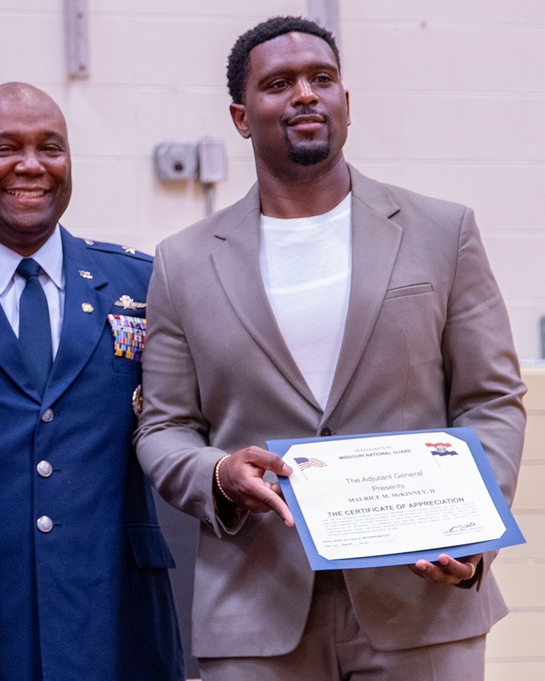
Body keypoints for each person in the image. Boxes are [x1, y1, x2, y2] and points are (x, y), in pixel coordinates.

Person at [134, 15, 525, 681]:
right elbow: (165, 427)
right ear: (240, 115)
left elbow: (492, 400)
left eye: (323, 79)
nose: (306, 95)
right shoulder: (183, 262)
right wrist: (220, 475)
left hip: (421, 600)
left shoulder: (442, 231)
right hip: (257, 611)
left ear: (347, 100)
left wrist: (470, 528)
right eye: (279, 83)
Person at [0, 82, 184, 681]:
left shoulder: (139, 281)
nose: (31, 166)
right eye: (6, 148)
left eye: (50, 148)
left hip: (114, 610)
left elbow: (199, 410)